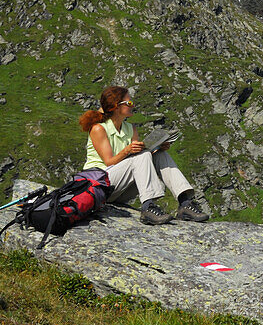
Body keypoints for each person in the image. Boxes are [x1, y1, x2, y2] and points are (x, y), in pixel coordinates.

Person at [79, 86, 209, 225]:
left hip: (120, 187)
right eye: (129, 103)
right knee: (143, 155)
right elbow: (109, 162)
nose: (132, 105)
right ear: (116, 106)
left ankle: (185, 203)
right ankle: (148, 207)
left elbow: (138, 160)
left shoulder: (130, 128)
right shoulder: (98, 128)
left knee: (159, 155)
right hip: (100, 184)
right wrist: (127, 150)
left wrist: (157, 148)